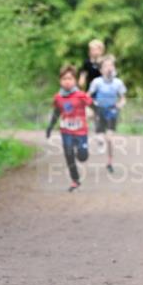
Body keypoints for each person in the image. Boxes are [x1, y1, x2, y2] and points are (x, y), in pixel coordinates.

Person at [46, 63, 93, 192]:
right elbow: (56, 112)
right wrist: (50, 127)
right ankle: (75, 180)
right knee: (68, 154)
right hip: (66, 130)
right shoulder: (58, 97)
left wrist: (93, 112)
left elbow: (92, 105)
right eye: (64, 79)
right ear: (60, 81)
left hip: (81, 131)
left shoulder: (81, 95)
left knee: (82, 157)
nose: (67, 82)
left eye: (70, 78)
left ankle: (81, 151)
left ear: (75, 80)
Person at [88, 55, 127, 173]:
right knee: (100, 136)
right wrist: (89, 106)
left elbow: (123, 98)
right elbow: (88, 95)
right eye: (106, 66)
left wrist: (120, 104)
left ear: (114, 68)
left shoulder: (118, 83)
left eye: (111, 65)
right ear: (101, 70)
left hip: (112, 110)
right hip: (99, 109)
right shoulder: (97, 82)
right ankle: (100, 141)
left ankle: (109, 161)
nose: (109, 68)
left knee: (110, 137)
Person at [79, 38, 106, 150]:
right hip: (90, 92)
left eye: (96, 49)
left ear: (101, 50)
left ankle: (100, 138)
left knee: (98, 117)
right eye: (92, 49)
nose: (94, 52)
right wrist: (81, 79)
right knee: (87, 115)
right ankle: (84, 137)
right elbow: (83, 73)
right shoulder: (87, 62)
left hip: (102, 93)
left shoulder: (104, 62)